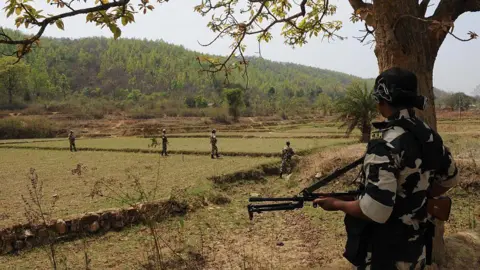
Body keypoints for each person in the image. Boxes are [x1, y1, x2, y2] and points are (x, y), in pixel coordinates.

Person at [312, 67, 458, 270]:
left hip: (386, 255)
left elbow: (376, 211)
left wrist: (336, 204)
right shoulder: (429, 136)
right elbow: (450, 178)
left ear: (382, 101)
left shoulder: (385, 145)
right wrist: (416, 199)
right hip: (417, 252)